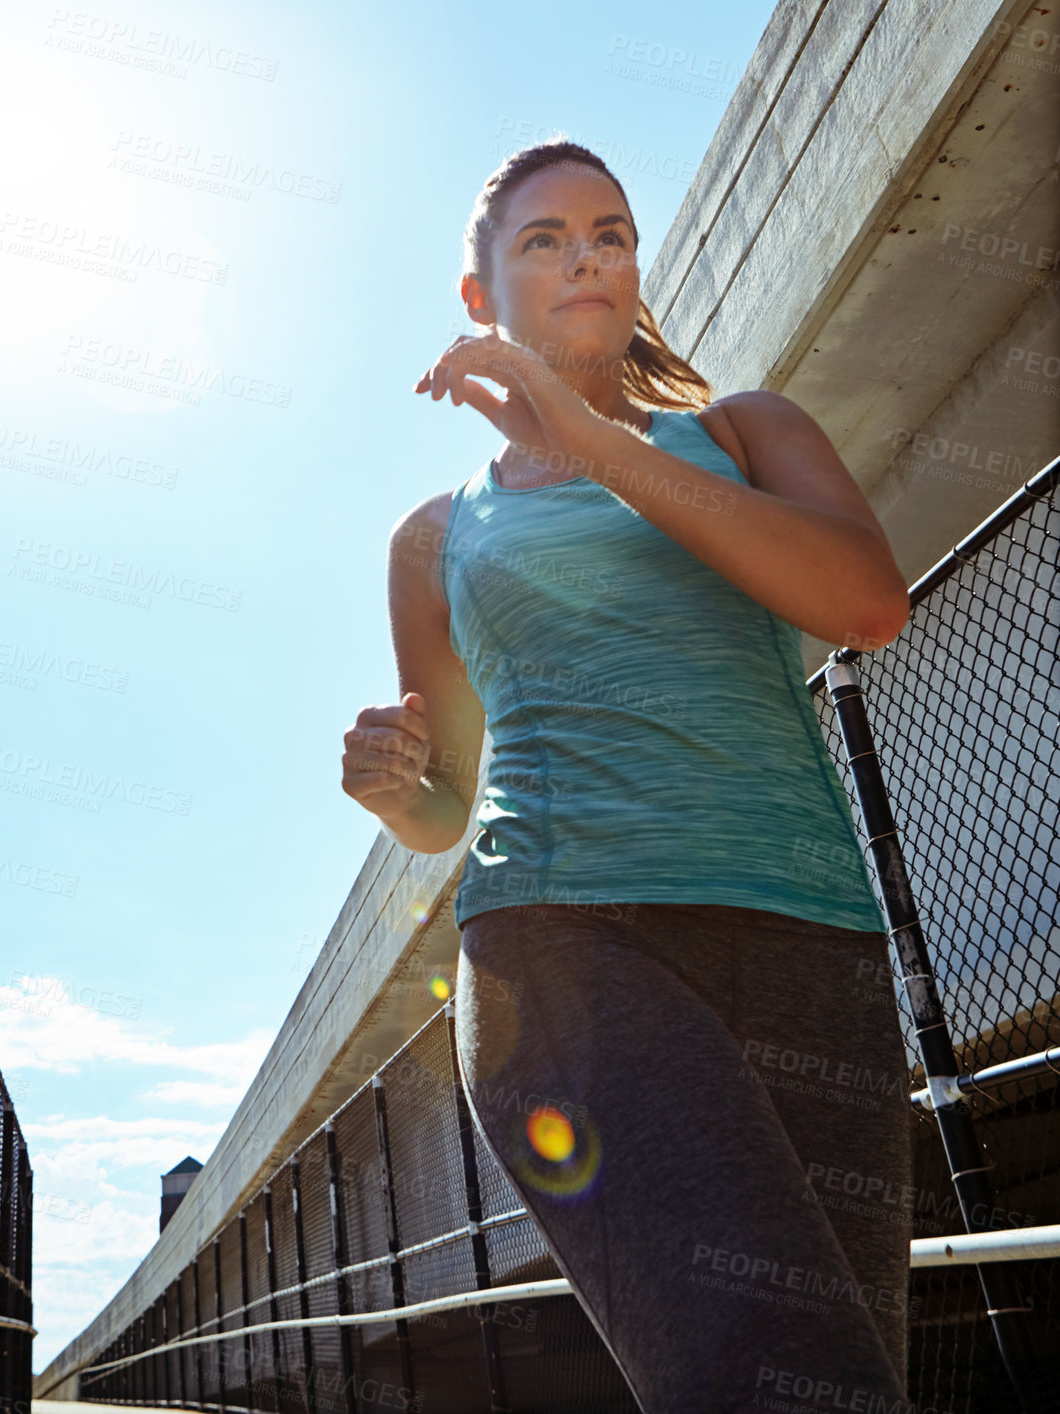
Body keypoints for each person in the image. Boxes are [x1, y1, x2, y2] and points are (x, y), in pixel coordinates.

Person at [341, 139, 917, 1413]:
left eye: (606, 231)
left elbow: (866, 604)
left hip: (813, 939)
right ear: (478, 298)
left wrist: (592, 441)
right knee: (773, 1383)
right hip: (564, 943)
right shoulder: (435, 537)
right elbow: (447, 800)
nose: (584, 254)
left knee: (853, 1374)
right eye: (541, 239)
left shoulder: (744, 431)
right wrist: (395, 788)